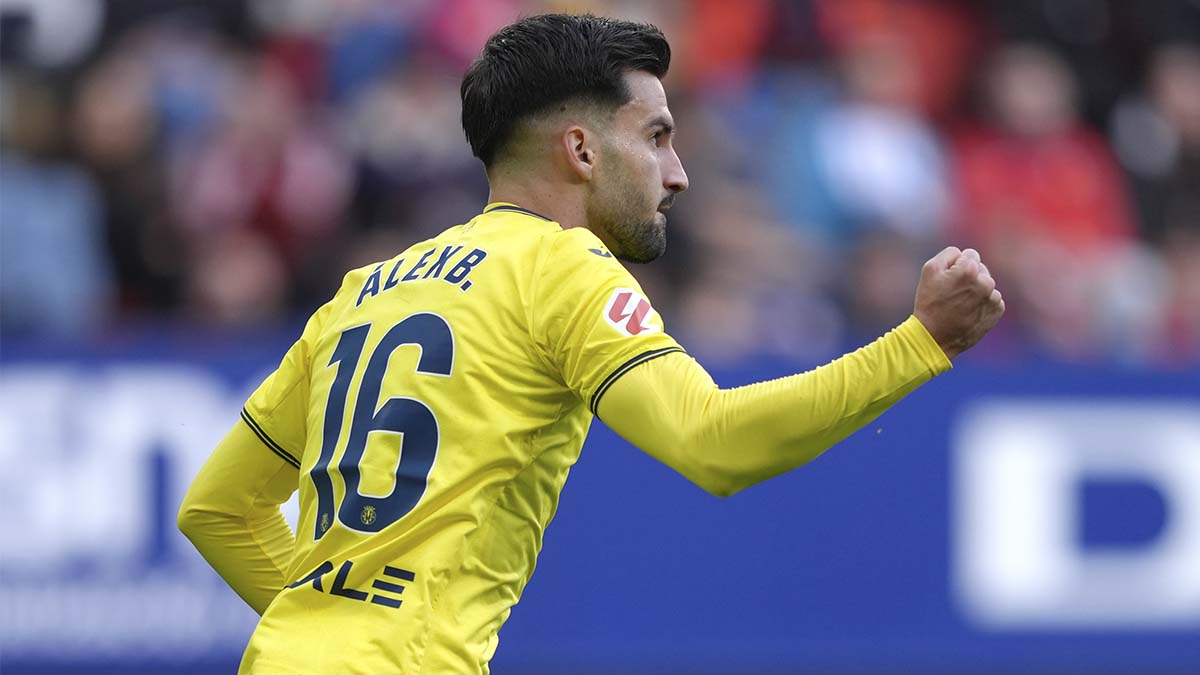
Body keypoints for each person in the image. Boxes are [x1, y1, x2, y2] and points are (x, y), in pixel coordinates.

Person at [178, 14, 1004, 675]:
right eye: (656, 136)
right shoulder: (560, 265)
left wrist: (329, 634)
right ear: (580, 149)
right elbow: (714, 441)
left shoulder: (365, 290)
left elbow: (217, 508)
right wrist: (920, 343)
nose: (677, 172)